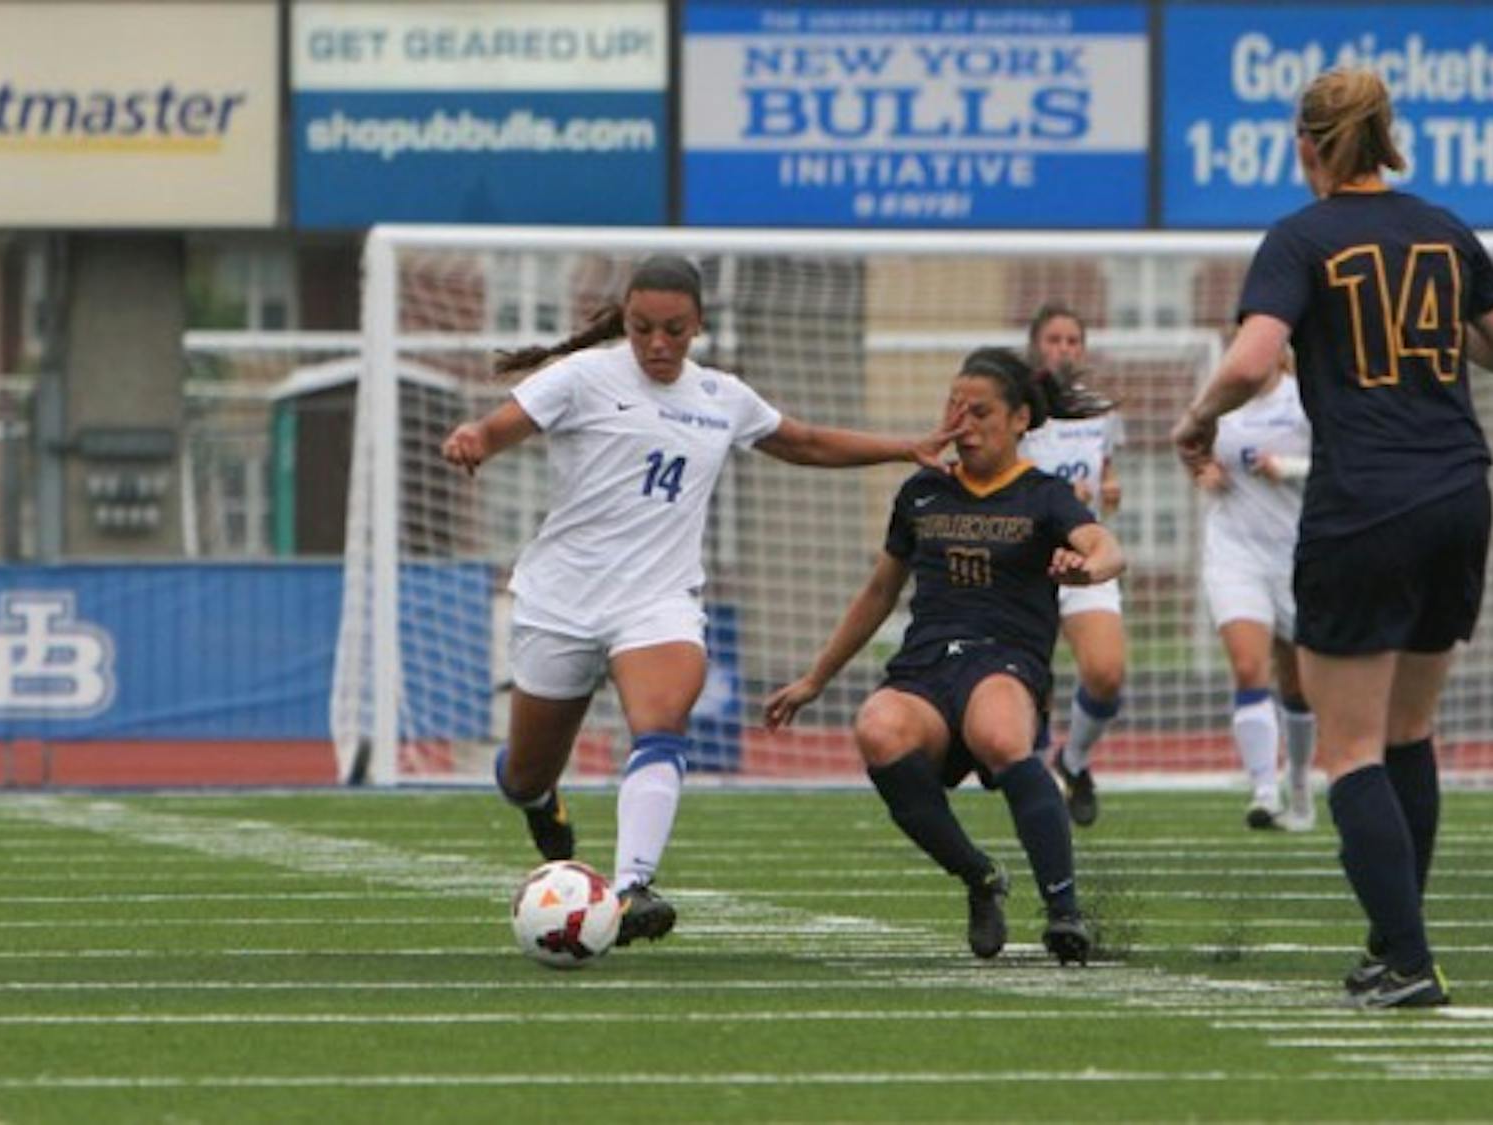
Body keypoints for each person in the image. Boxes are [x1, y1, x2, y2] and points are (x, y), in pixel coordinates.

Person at [442, 255, 968, 948]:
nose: (658, 343)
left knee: (662, 723)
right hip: (561, 600)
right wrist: (476, 439)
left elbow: (805, 442)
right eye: (642, 328)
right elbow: (503, 424)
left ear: (698, 325)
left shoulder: (723, 396)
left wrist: (904, 447)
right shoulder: (583, 376)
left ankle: (632, 886)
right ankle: (540, 799)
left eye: (674, 329)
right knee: (524, 772)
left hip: (657, 601)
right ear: (624, 321)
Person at [1172, 67, 1493, 1009]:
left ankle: (1409, 960)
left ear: (1307, 145)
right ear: (1385, 136)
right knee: (1409, 732)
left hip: (1364, 501)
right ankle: (1393, 946)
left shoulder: (1301, 237)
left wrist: (1197, 419)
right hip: (1459, 493)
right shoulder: (1445, 229)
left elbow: (1252, 361)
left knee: (1348, 750)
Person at [765, 347, 1124, 964]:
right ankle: (979, 878)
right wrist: (814, 679)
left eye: (980, 412)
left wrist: (1088, 568)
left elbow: (1106, 546)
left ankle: (1065, 913)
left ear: (1019, 420)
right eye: (954, 409)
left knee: (999, 733)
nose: (963, 425)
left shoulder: (1044, 495)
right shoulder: (923, 492)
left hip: (1004, 660)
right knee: (877, 727)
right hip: (927, 667)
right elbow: (879, 592)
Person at [1189, 354, 1317, 830]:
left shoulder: (1305, 397)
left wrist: (1287, 467)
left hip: (1296, 554)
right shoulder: (1220, 398)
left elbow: (1343, 462)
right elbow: (1193, 450)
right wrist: (1203, 471)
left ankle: (1299, 787)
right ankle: (1264, 791)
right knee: (1248, 668)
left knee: (1299, 684)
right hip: (1235, 552)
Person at [1018, 303, 1125, 826]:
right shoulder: (1017, 411)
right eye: (1054, 339)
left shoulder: (1101, 415)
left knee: (1106, 674)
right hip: (1024, 561)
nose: (1063, 350)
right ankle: (1037, 783)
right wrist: (1054, 499)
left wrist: (1109, 491)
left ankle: (1074, 761)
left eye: (1073, 340)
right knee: (1027, 681)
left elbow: (1106, 478)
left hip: (1083, 559)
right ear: (1035, 345)